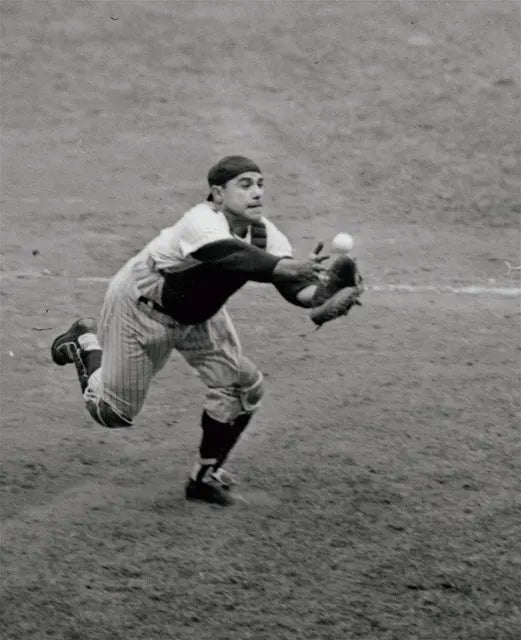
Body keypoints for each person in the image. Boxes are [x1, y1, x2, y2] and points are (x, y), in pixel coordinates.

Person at [51, 155, 358, 506]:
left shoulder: (264, 233)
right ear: (217, 192)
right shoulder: (200, 222)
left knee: (243, 388)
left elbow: (292, 289)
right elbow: (231, 256)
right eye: (244, 184)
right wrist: (290, 267)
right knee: (113, 414)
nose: (256, 192)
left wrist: (322, 295)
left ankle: (203, 477)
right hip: (141, 309)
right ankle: (84, 341)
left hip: (199, 315)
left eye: (260, 184)